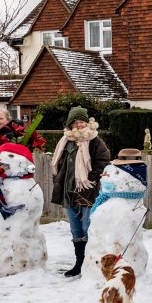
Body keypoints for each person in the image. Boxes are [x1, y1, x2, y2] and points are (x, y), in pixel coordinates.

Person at [50, 106, 111, 278]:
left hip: (88, 191)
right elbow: (60, 165)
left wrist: (91, 177)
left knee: (87, 228)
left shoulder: (95, 141)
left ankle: (92, 264)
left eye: (81, 121)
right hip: (68, 192)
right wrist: (58, 182)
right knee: (76, 231)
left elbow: (104, 161)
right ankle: (79, 263)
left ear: (88, 122)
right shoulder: (65, 141)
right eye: (75, 122)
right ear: (70, 124)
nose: (78, 125)